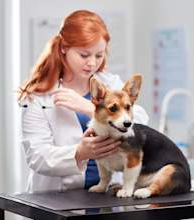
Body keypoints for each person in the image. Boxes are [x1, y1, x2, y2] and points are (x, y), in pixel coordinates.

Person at [18, 10, 148, 192]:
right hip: (59, 197)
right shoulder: (39, 96)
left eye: (99, 55)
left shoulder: (110, 84)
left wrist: (88, 107)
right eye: (84, 55)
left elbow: (141, 126)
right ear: (63, 47)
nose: (92, 63)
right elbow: (37, 157)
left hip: (109, 193)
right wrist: (80, 153)